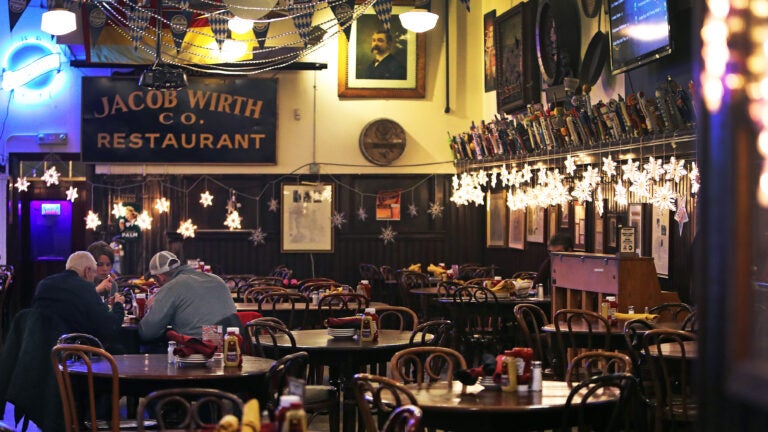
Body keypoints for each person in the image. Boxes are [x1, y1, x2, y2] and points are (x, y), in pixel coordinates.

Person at [138, 251, 238, 341]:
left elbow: (147, 332)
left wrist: (152, 307)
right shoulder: (216, 279)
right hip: (235, 344)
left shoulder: (171, 287)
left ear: (161, 277)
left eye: (155, 281)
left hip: (202, 349)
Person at [32, 251, 126, 344]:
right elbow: (109, 327)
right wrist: (118, 304)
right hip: (75, 351)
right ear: (87, 271)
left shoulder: (43, 284)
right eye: (93, 273)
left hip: (41, 349)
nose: (93, 278)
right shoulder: (85, 287)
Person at [532, 230, 574, 295]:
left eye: (558, 252)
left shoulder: (578, 264)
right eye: (551, 252)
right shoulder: (549, 262)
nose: (554, 256)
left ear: (569, 250)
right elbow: (536, 285)